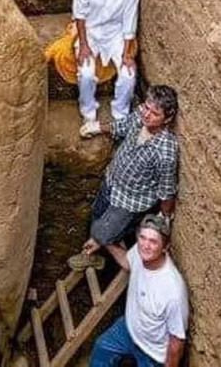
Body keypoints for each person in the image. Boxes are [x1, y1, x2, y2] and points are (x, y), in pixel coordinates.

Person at [68, 86, 179, 269]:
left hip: (129, 201)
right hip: (111, 182)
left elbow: (166, 189)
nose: (147, 114)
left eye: (155, 113)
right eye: (147, 107)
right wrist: (97, 128)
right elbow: (122, 126)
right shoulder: (139, 116)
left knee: (103, 233)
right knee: (96, 215)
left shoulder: (165, 150)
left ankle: (111, 256)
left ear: (167, 118)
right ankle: (95, 253)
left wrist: (165, 216)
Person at [89, 214, 188, 367]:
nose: (146, 245)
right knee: (101, 348)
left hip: (153, 352)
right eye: (142, 237)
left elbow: (177, 342)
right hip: (130, 328)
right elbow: (128, 262)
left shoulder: (172, 291)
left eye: (153, 241)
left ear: (165, 247)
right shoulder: (139, 251)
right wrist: (104, 241)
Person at [70, 0, 139, 134]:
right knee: (85, 73)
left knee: (128, 74)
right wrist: (83, 44)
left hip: (115, 33)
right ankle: (88, 112)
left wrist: (126, 53)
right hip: (89, 30)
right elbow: (80, 11)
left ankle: (120, 117)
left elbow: (130, 17)